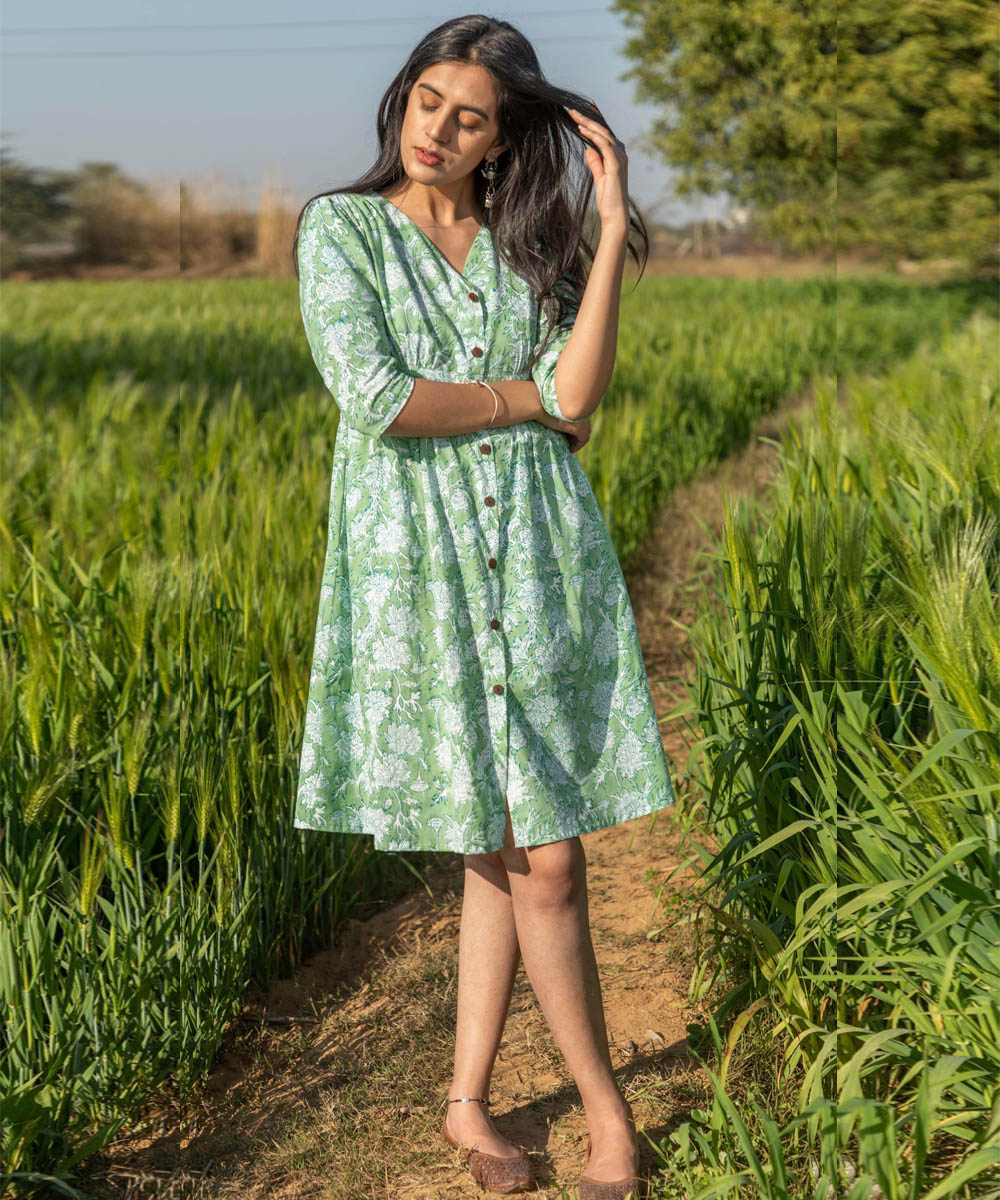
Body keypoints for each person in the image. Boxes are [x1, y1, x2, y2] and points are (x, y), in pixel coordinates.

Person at [291, 14, 674, 1198]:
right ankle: (608, 1117)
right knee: (533, 855)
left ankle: (466, 1103)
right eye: (425, 102)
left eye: (469, 116)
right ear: (400, 102)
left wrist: (609, 235)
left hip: (541, 555)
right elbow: (379, 397)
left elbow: (585, 394)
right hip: (418, 566)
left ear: (503, 138)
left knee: (508, 850)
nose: (438, 131)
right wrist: (522, 398)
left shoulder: (525, 248)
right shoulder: (340, 228)